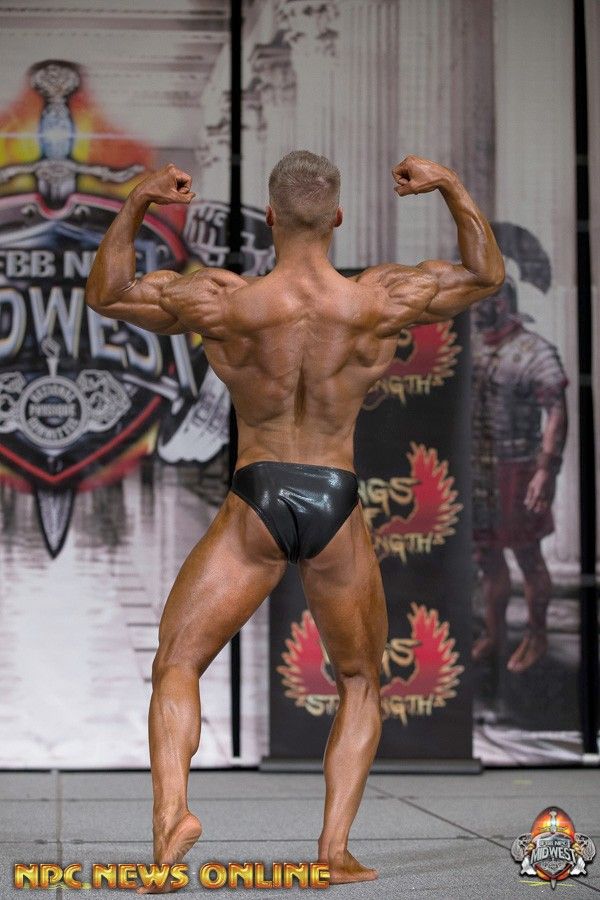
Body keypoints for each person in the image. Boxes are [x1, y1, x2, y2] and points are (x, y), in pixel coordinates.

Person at [85, 151, 504, 891]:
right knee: (360, 680)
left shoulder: (224, 300)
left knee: (177, 663)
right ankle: (333, 850)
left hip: (259, 495)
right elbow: (484, 275)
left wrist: (140, 199)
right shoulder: (380, 298)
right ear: (337, 217)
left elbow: (108, 293)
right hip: (335, 497)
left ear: (271, 217)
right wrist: (448, 183)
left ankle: (172, 819)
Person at [471, 276, 568, 673]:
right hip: (479, 469)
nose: (474, 311)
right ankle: (494, 634)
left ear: (502, 303)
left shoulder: (535, 351)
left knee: (528, 556)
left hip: (519, 468)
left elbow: (556, 411)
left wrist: (546, 470)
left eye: (481, 303)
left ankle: (537, 635)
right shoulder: (472, 347)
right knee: (487, 557)